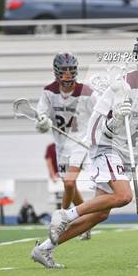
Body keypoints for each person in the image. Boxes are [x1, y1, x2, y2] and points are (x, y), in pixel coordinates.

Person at [31, 35, 138, 268]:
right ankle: (64, 215)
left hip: (127, 153)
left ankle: (43, 249)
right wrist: (118, 117)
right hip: (106, 145)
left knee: (100, 214)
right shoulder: (125, 84)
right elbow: (103, 127)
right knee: (124, 196)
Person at [35, 53, 98, 240]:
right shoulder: (49, 92)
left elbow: (102, 111)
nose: (68, 75)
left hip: (82, 144)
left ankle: (62, 218)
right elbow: (40, 119)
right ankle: (84, 222)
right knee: (70, 186)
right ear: (57, 72)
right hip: (62, 146)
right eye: (64, 71)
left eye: (71, 71)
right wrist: (43, 122)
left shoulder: (86, 92)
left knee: (69, 182)